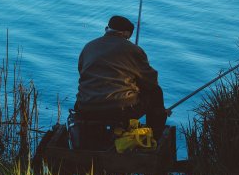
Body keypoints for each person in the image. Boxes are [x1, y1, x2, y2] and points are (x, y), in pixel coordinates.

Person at [71, 15, 167, 150]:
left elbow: (82, 72)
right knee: (156, 92)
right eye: (128, 37)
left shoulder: (88, 47)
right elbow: (151, 82)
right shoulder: (134, 50)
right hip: (119, 111)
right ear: (126, 34)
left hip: (86, 107)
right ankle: (154, 137)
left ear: (107, 29)